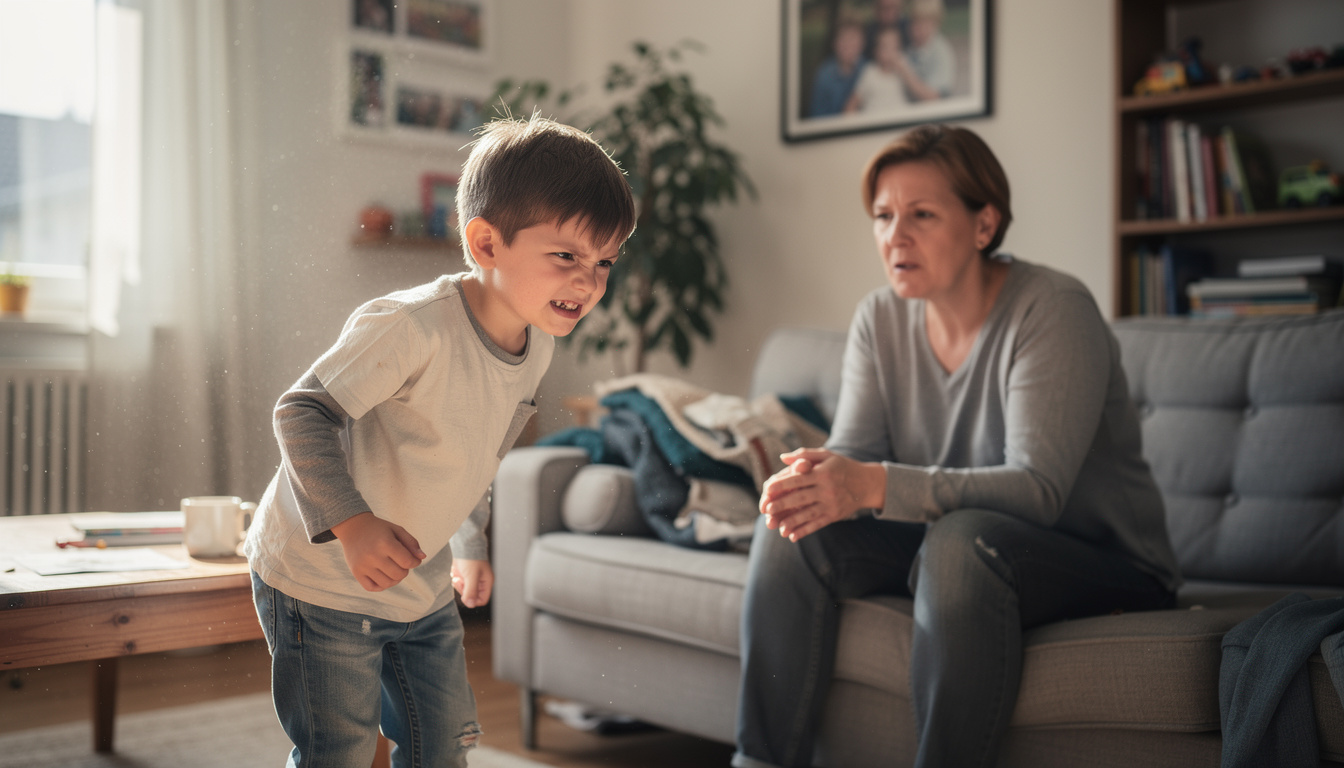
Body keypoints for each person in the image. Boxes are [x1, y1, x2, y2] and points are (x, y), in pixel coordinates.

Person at [732, 124, 1181, 768]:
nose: (895, 236)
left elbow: (1037, 489)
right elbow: (852, 458)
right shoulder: (878, 319)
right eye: (884, 216)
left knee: (960, 541)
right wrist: (816, 482)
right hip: (959, 543)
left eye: (922, 215)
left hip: (1100, 561)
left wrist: (873, 484)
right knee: (792, 526)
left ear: (983, 224)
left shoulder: (1052, 309)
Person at [245, 115, 636, 768]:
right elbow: (302, 412)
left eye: (604, 262)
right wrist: (354, 524)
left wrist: (471, 543)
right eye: (566, 256)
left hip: (419, 592)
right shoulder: (411, 328)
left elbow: (475, 453)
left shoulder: (536, 346)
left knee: (443, 747)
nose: (589, 281)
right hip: (322, 584)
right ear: (485, 244)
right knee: (336, 753)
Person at [898, 0, 956, 101]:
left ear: (935, 24)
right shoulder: (909, 45)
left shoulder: (941, 51)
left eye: (922, 24)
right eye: (913, 23)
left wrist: (904, 71)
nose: (916, 29)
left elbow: (932, 97)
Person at [808, 17, 867, 117]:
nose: (847, 44)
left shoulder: (868, 69)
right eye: (843, 39)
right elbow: (817, 117)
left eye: (852, 39)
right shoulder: (824, 75)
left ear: (862, 44)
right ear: (835, 44)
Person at [844, 26, 910, 114]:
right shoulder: (870, 72)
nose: (889, 51)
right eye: (885, 46)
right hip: (873, 123)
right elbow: (851, 105)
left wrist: (903, 70)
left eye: (894, 46)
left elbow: (919, 92)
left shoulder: (904, 67)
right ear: (876, 51)